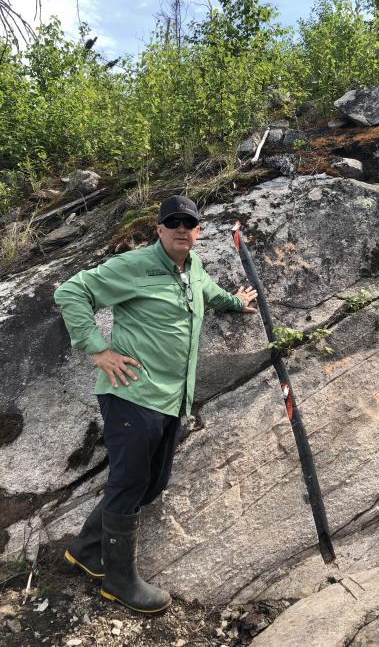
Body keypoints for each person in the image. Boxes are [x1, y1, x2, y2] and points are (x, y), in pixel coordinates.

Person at [54, 195, 257, 614]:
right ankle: (118, 580)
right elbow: (71, 291)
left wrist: (237, 301)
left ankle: (87, 551)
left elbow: (209, 293)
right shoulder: (135, 266)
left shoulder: (194, 267)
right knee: (129, 483)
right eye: (173, 222)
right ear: (159, 229)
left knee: (152, 482)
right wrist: (98, 350)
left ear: (198, 230)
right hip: (131, 393)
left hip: (171, 398)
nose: (182, 229)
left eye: (190, 223)